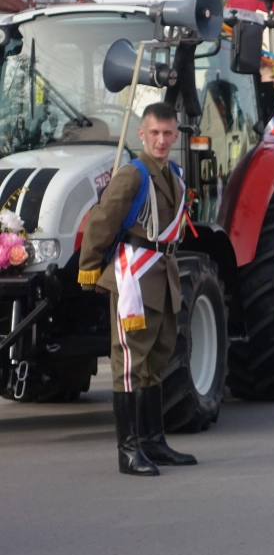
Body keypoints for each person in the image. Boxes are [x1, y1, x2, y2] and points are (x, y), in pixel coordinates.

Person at [76, 103, 198, 476]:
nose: (161, 140)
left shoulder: (174, 174)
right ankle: (128, 451)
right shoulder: (133, 174)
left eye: (167, 133)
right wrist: (90, 270)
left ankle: (153, 441)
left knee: (156, 360)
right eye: (154, 133)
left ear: (175, 136)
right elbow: (101, 221)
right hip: (135, 278)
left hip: (163, 275)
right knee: (129, 364)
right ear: (141, 135)